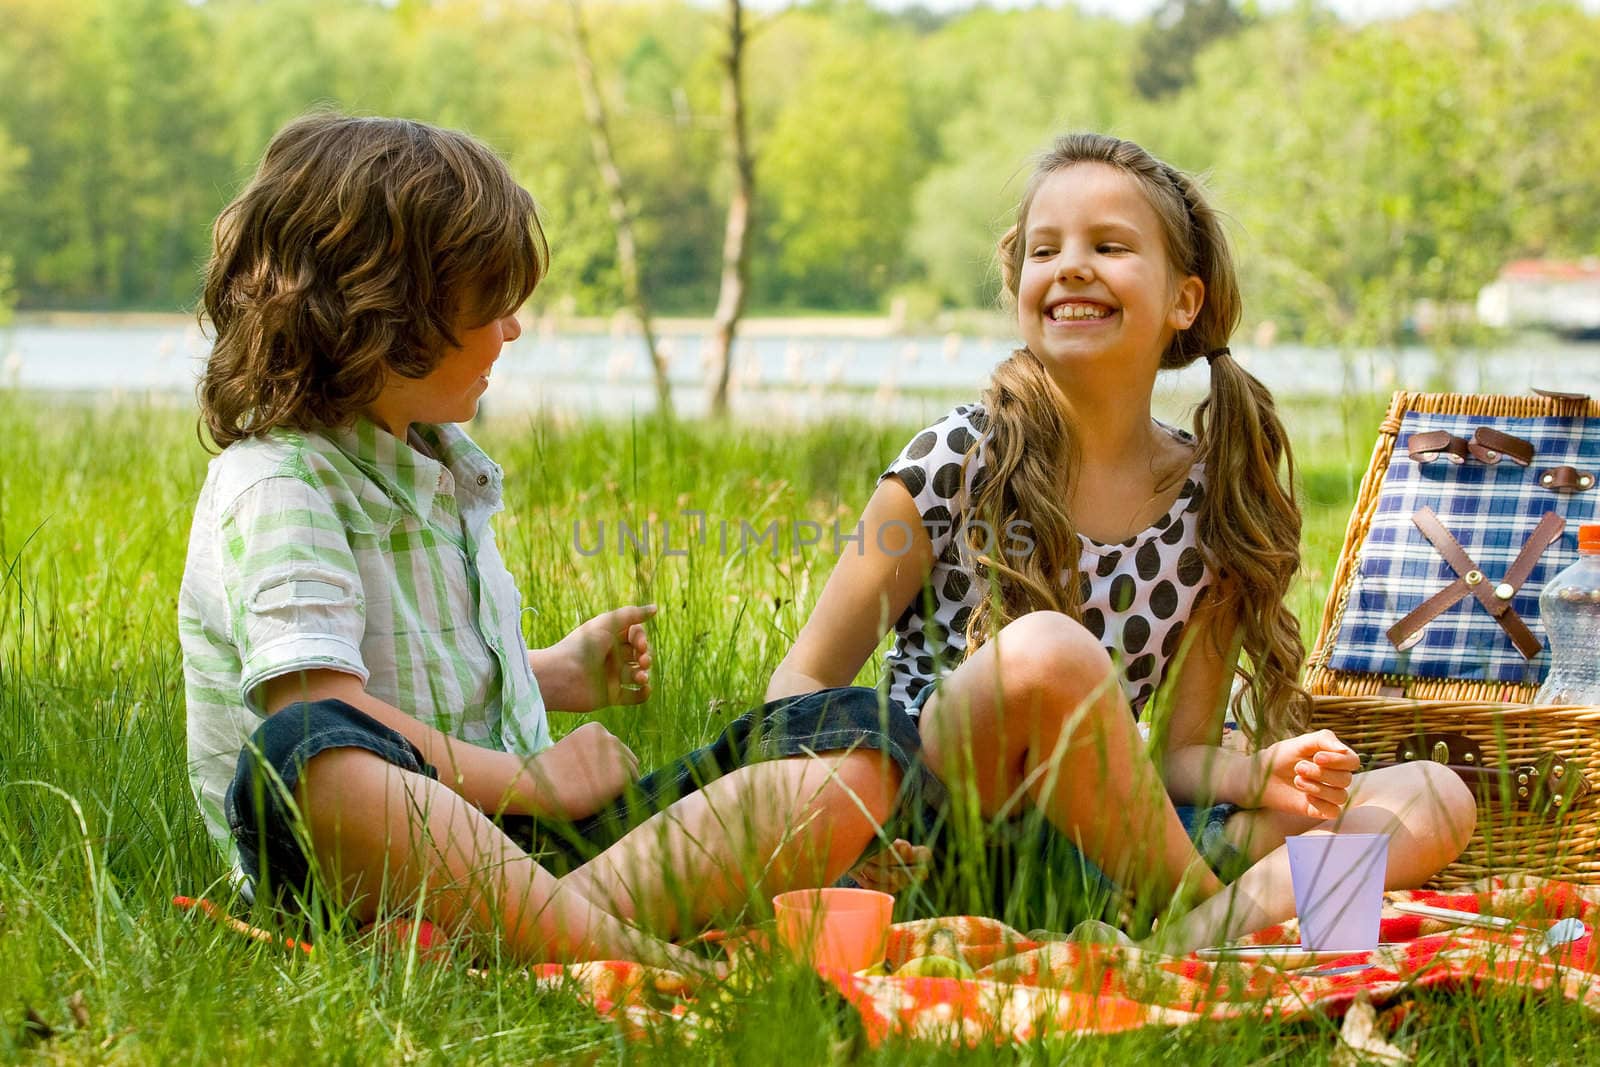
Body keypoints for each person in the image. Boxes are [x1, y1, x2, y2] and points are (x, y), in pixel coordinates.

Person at [178, 113, 915, 972]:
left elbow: (418, 670)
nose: (514, 329)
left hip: (524, 850)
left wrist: (549, 674)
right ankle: (631, 949)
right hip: (367, 863)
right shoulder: (281, 483)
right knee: (306, 748)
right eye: (491, 303)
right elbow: (321, 707)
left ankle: (514, 938)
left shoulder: (436, 462)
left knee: (856, 736)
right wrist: (534, 780)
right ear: (385, 312)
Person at [767, 132, 1477, 952]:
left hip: (1105, 851)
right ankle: (1215, 915)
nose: (1071, 265)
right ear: (1020, 285)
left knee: (1433, 794)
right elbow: (807, 681)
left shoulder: (1209, 498)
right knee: (1044, 655)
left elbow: (1180, 756)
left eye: (1108, 245)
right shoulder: (950, 462)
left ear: (1184, 299)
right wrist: (838, 825)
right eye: (1046, 249)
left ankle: (1192, 933)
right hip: (939, 838)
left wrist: (1255, 775)